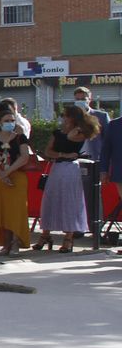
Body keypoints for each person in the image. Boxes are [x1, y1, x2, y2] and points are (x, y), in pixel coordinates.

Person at [35, 106, 98, 253]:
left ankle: (68, 238)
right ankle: (45, 234)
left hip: (71, 169)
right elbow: (48, 150)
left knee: (70, 201)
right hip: (56, 167)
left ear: (73, 117)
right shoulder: (57, 132)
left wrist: (74, 127)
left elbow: (71, 138)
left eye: (66, 115)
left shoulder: (81, 132)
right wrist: (61, 154)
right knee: (51, 199)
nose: (63, 117)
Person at [0, 108, 33, 256]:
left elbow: (24, 157)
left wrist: (7, 172)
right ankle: (5, 243)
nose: (10, 123)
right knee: (2, 212)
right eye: (6, 121)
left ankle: (16, 243)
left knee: (16, 211)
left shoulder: (20, 138)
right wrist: (0, 173)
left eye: (12, 121)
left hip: (17, 177)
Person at [72, 87, 108, 237]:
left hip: (93, 161)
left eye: (83, 98)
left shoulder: (100, 116)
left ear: (89, 99)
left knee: (94, 195)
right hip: (75, 160)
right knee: (76, 195)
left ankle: (96, 228)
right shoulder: (72, 117)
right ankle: (78, 227)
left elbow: (107, 140)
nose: (80, 101)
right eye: (77, 98)